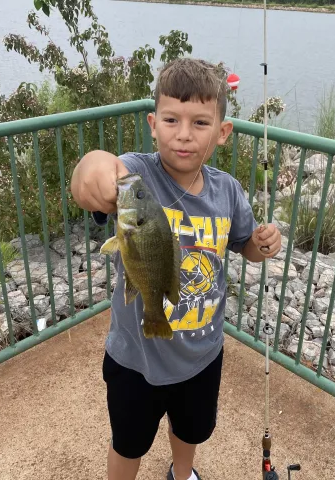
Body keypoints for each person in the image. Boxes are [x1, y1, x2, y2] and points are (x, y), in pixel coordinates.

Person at [70, 57, 281, 480]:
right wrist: (92, 169)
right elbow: (92, 172)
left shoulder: (228, 191)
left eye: (200, 123)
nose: (183, 134)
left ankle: (182, 474)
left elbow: (243, 246)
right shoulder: (136, 176)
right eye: (171, 120)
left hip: (203, 354)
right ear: (153, 124)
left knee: (190, 431)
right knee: (128, 441)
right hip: (134, 358)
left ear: (222, 132)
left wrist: (261, 247)